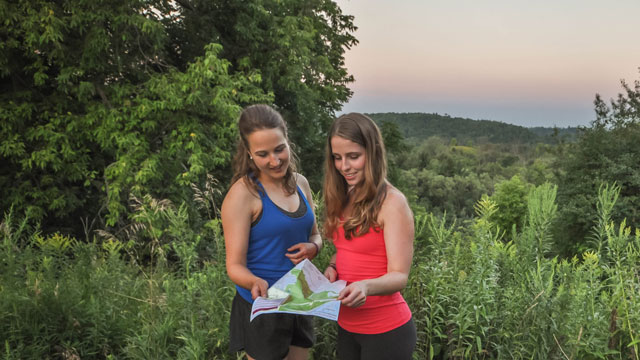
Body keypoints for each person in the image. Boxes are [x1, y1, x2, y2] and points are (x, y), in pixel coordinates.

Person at [222, 104, 322, 360]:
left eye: (280, 149)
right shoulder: (242, 195)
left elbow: (315, 235)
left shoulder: (301, 183)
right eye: (263, 153)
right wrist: (253, 282)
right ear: (249, 153)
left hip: (300, 297)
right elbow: (234, 266)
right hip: (264, 305)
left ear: (288, 141)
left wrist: (314, 248)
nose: (275, 160)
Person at [322, 112, 416, 360]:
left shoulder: (393, 203)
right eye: (337, 158)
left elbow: (399, 276)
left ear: (372, 153)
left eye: (354, 157)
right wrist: (332, 266)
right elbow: (348, 250)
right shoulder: (346, 195)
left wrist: (365, 286)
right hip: (347, 325)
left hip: (386, 330)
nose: (344, 166)